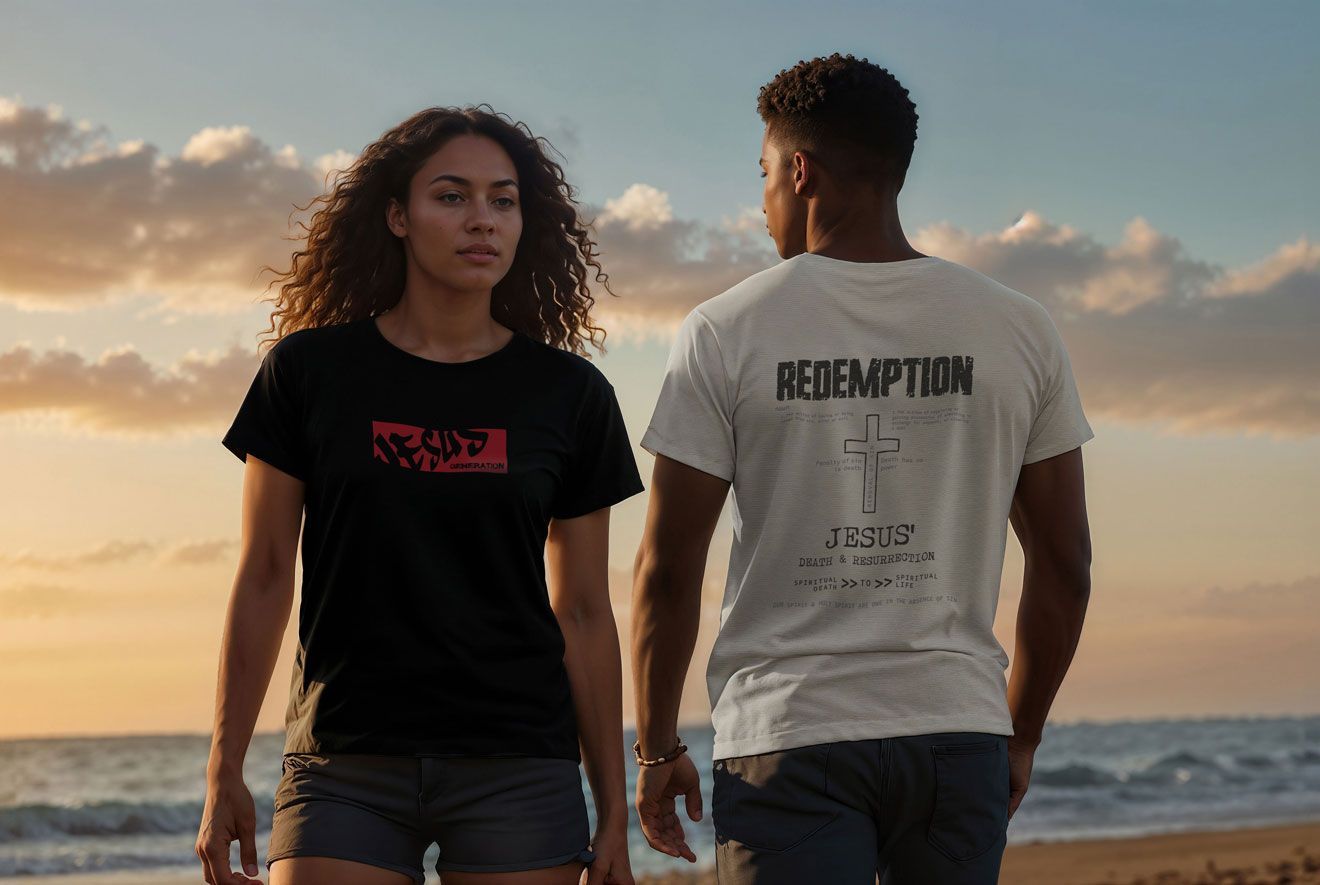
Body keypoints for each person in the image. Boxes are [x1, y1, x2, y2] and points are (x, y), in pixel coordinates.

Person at [630, 54, 1094, 884]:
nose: (764, 199)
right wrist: (1016, 733)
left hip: (787, 734)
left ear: (799, 171)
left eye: (765, 174)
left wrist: (658, 745)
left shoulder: (724, 330)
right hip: (956, 735)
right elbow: (1065, 565)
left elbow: (667, 567)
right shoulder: (1017, 328)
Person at [195, 105, 643, 885]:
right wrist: (223, 767)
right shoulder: (308, 374)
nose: (483, 220)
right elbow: (266, 572)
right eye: (452, 196)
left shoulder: (569, 395)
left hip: (518, 762)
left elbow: (583, 609)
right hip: (344, 759)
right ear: (397, 215)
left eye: (503, 200)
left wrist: (613, 809)